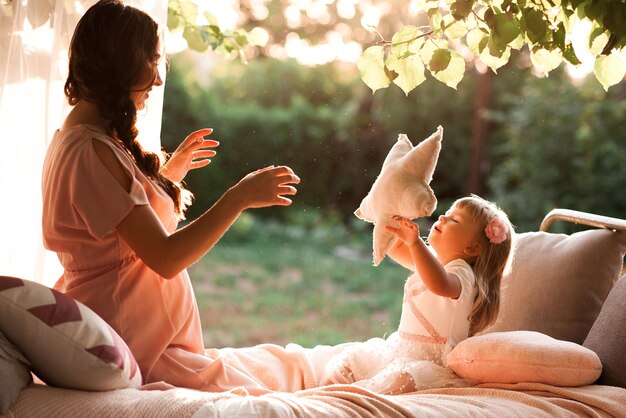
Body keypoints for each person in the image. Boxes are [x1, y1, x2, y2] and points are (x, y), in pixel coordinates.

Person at [42, 0, 305, 393]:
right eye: (152, 59)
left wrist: (167, 176)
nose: (158, 80)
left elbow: (116, 233)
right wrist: (238, 197)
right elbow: (164, 257)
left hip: (141, 334)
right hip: (135, 340)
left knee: (275, 388)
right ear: (122, 62)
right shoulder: (90, 151)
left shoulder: (84, 140)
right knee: (266, 402)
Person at [325, 195, 514, 394]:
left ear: (472, 248)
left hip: (431, 364)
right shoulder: (433, 261)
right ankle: (324, 399)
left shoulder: (463, 274)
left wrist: (415, 243)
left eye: (455, 220)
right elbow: (394, 247)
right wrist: (387, 218)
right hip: (399, 350)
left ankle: (355, 400)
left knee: (401, 379)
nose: (442, 218)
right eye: (447, 213)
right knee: (351, 360)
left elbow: (439, 284)